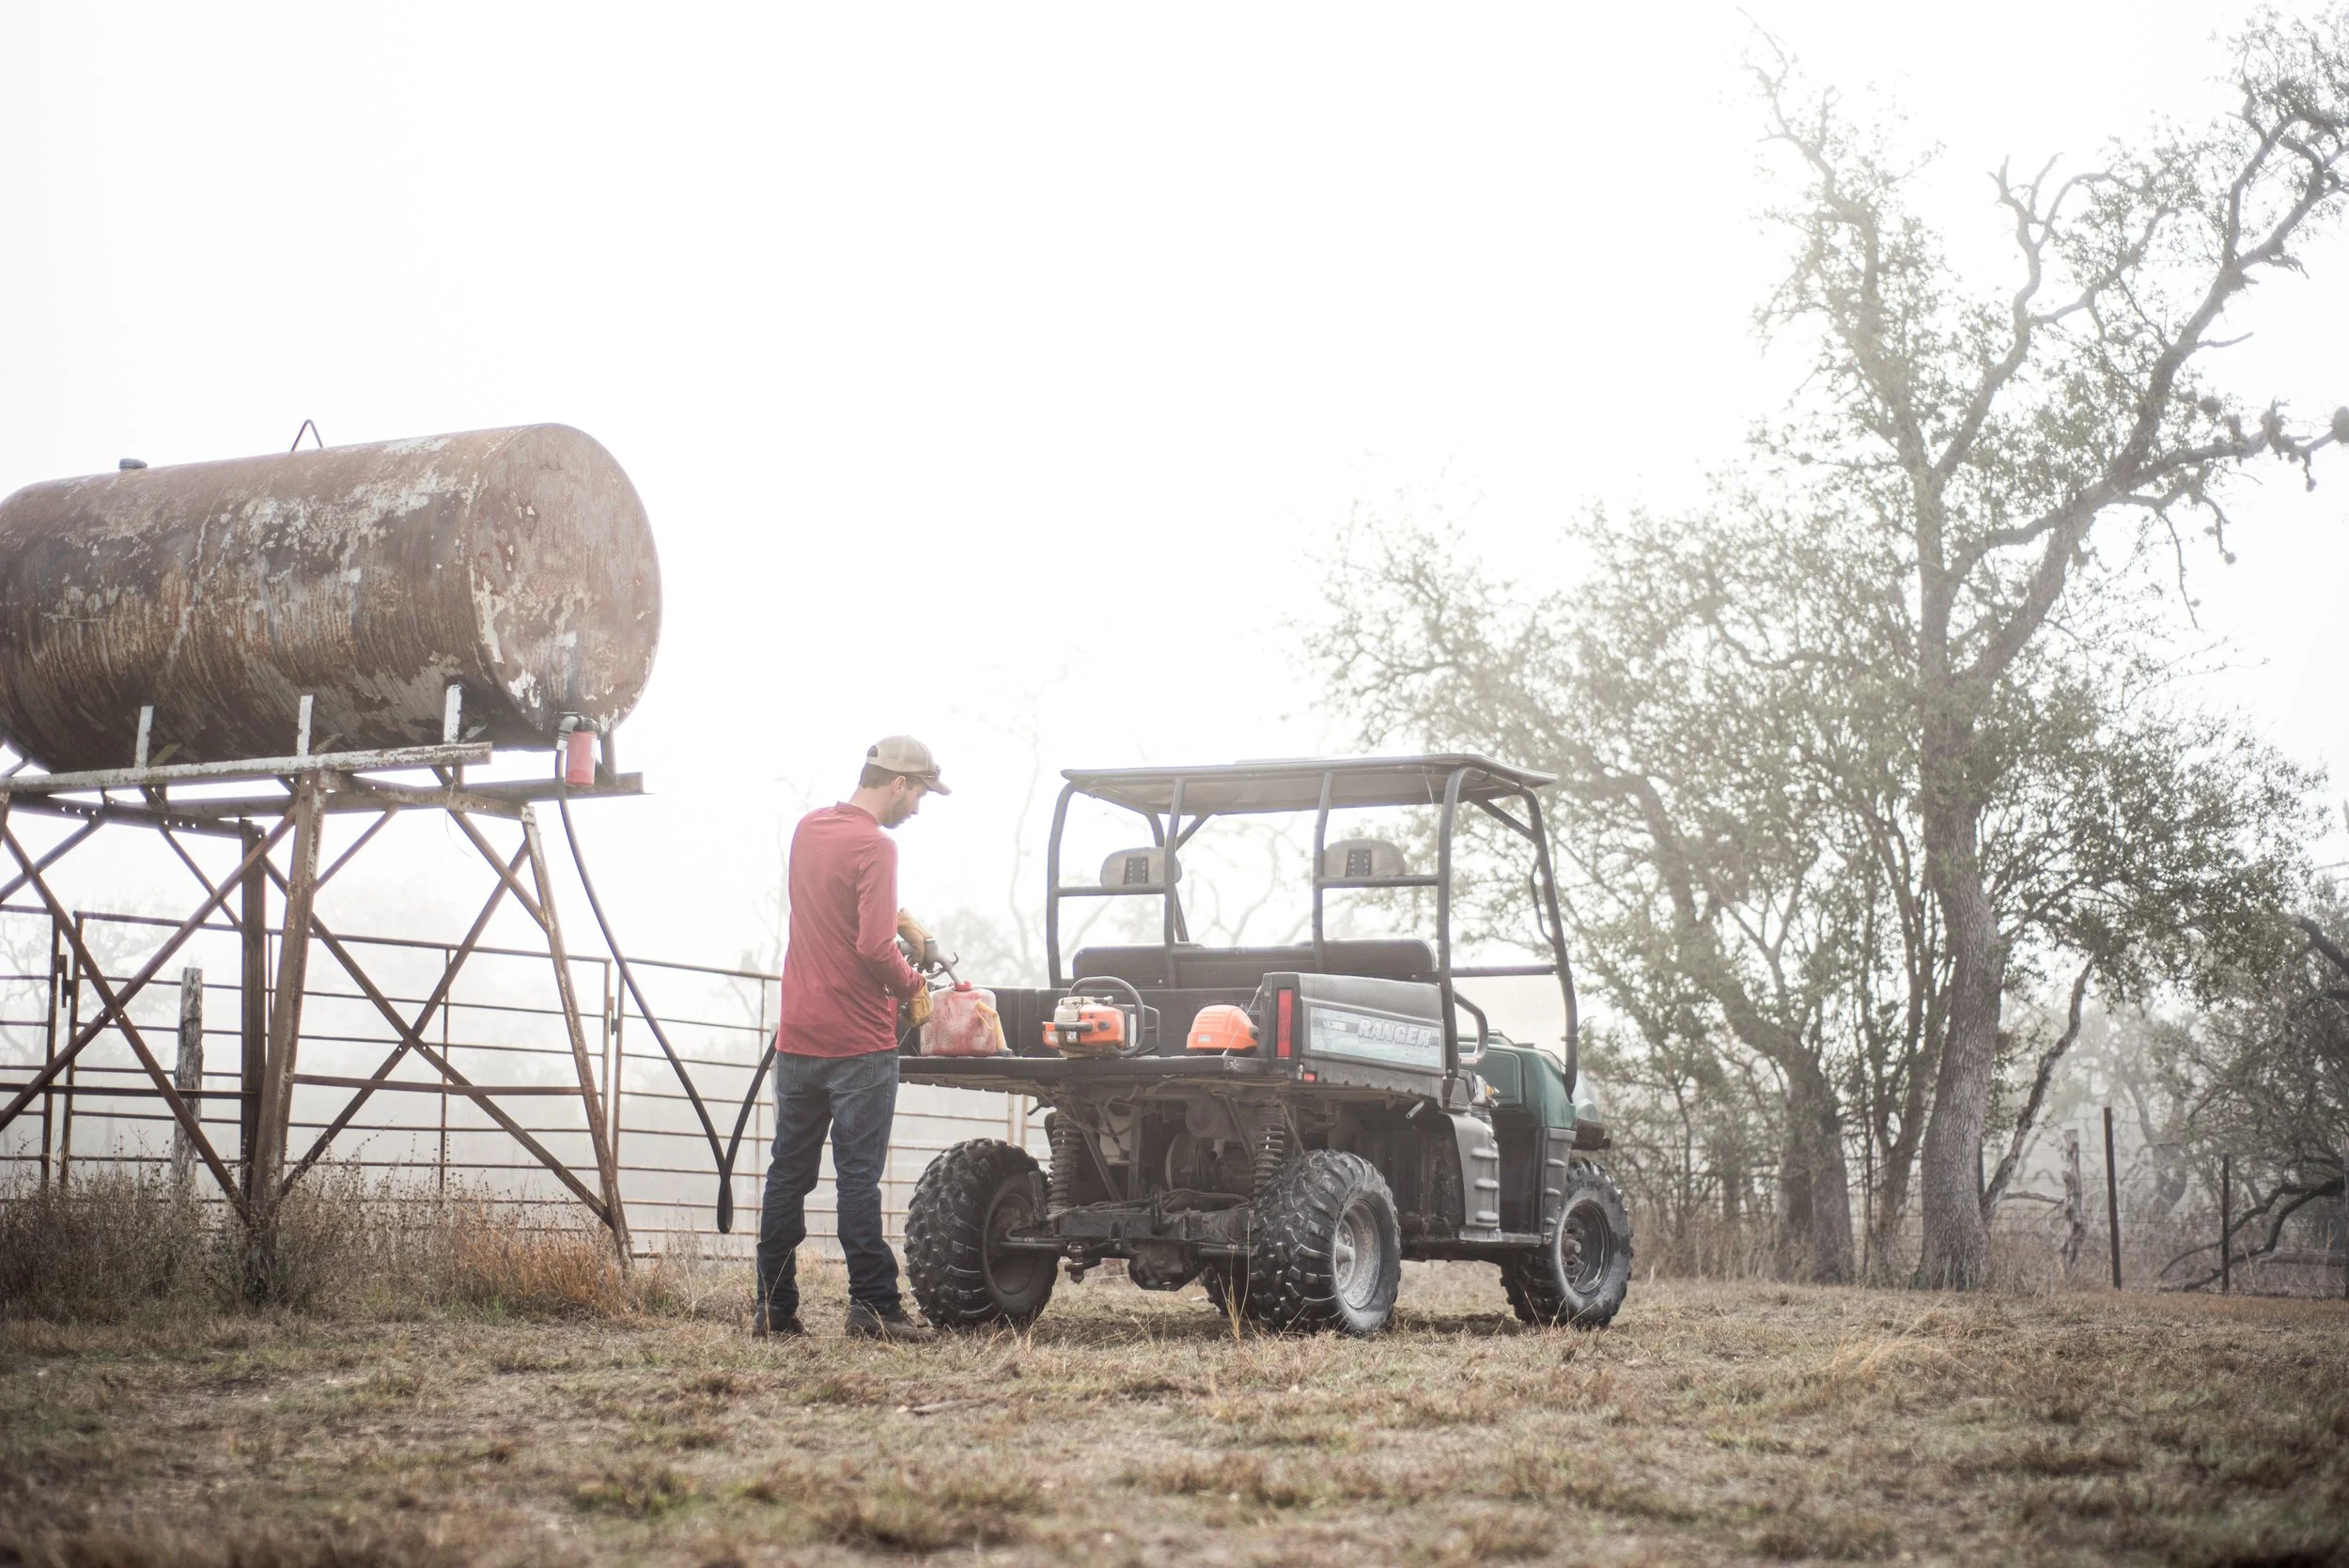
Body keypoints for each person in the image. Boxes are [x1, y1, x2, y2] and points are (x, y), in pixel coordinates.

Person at [754, 736, 949, 1342]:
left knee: (788, 1173)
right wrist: (913, 981)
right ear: (897, 782)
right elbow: (870, 946)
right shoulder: (877, 846)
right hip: (860, 1042)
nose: (917, 807)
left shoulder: (810, 829)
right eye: (918, 793)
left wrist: (893, 921)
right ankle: (872, 1307)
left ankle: (773, 1307)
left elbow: (832, 911)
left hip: (798, 1037)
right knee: (859, 1176)